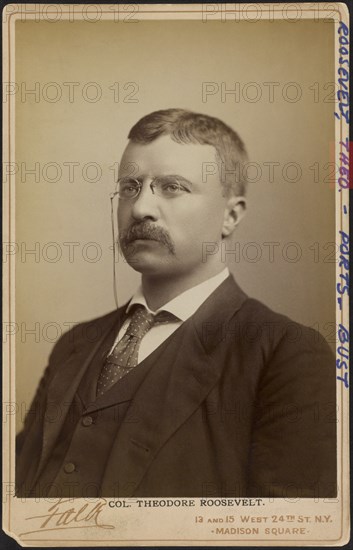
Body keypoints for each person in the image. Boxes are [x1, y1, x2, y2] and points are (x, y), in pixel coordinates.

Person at [16, 109, 336, 499]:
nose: (139, 209)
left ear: (230, 216)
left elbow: (287, 532)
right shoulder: (75, 344)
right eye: (130, 187)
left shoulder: (285, 354)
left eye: (172, 187)